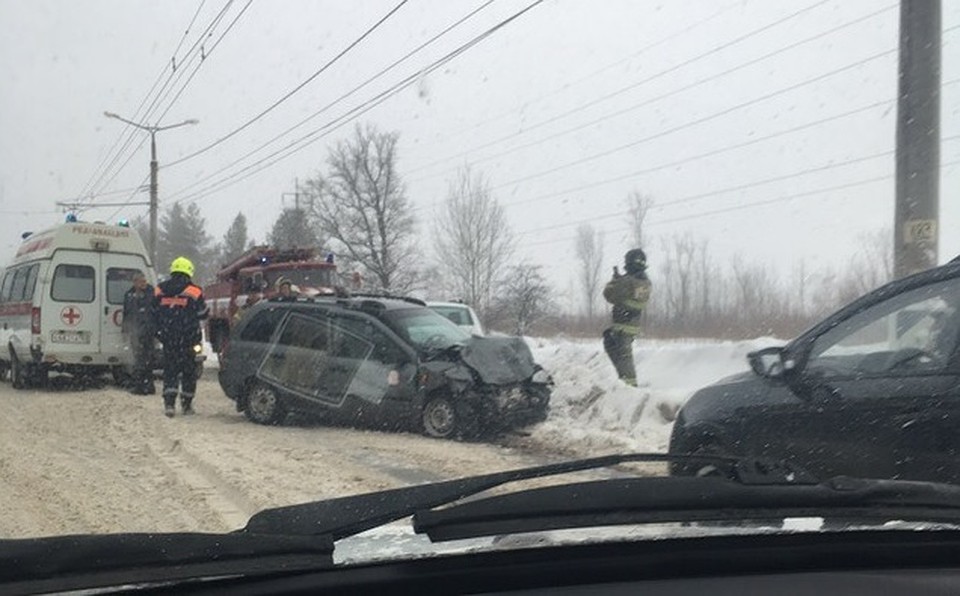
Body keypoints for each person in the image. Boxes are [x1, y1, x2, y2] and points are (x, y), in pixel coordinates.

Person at [153, 257, 209, 417]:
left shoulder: (160, 289)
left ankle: (169, 404)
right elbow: (203, 313)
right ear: (189, 271)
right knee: (189, 371)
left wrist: (160, 331)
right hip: (189, 338)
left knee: (170, 370)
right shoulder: (195, 291)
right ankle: (187, 404)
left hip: (168, 337)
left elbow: (152, 312)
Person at [602, 248, 652, 387]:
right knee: (619, 353)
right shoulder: (645, 282)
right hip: (630, 325)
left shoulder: (628, 281)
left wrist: (614, 281)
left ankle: (629, 387)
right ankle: (624, 382)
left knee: (623, 358)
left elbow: (609, 295)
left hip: (623, 325)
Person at [121, 272, 155, 395]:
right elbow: (126, 312)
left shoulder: (151, 293)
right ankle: (140, 384)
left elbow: (154, 310)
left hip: (148, 331)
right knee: (137, 358)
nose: (143, 284)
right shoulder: (129, 295)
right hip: (134, 331)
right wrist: (125, 329)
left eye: (144, 281)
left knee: (146, 359)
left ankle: (145, 385)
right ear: (134, 282)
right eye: (141, 282)